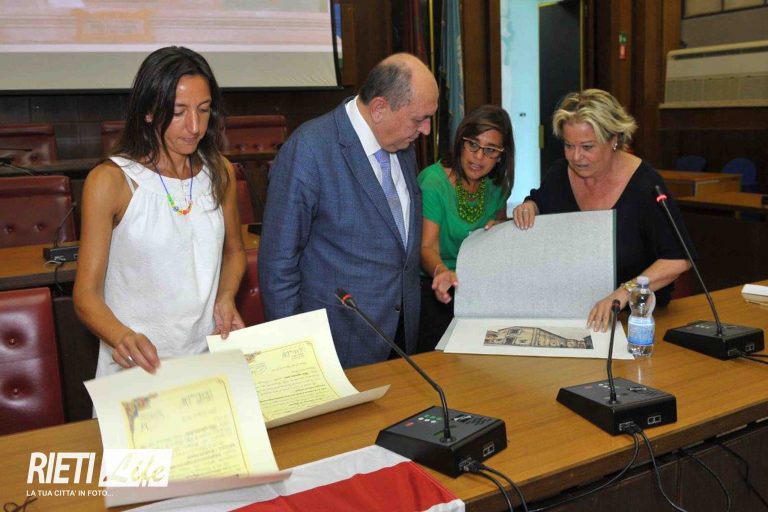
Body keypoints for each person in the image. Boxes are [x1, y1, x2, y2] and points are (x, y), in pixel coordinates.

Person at [74, 46, 246, 376]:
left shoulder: (219, 171)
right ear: (149, 112)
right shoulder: (111, 181)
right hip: (137, 366)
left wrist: (226, 296)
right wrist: (120, 336)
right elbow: (85, 295)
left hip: (206, 356)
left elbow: (235, 252)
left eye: (204, 110)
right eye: (179, 112)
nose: (194, 126)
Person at [259, 53, 438, 368]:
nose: (426, 130)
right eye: (418, 119)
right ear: (379, 108)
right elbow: (278, 264)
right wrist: (295, 353)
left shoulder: (401, 145)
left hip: (400, 335)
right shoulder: (310, 149)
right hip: (337, 342)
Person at [512, 88, 693, 331]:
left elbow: (678, 259)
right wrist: (529, 206)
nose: (576, 157)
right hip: (574, 315)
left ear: (614, 139)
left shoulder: (646, 185)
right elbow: (539, 202)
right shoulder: (559, 174)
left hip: (636, 319)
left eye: (587, 147)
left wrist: (624, 293)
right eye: (569, 146)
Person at [418, 105, 515, 352]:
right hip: (435, 287)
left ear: (501, 155)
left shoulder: (497, 186)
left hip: (478, 289)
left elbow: (496, 237)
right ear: (461, 142)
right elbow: (426, 247)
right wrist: (441, 272)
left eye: (490, 150)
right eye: (473, 144)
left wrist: (503, 229)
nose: (479, 157)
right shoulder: (434, 182)